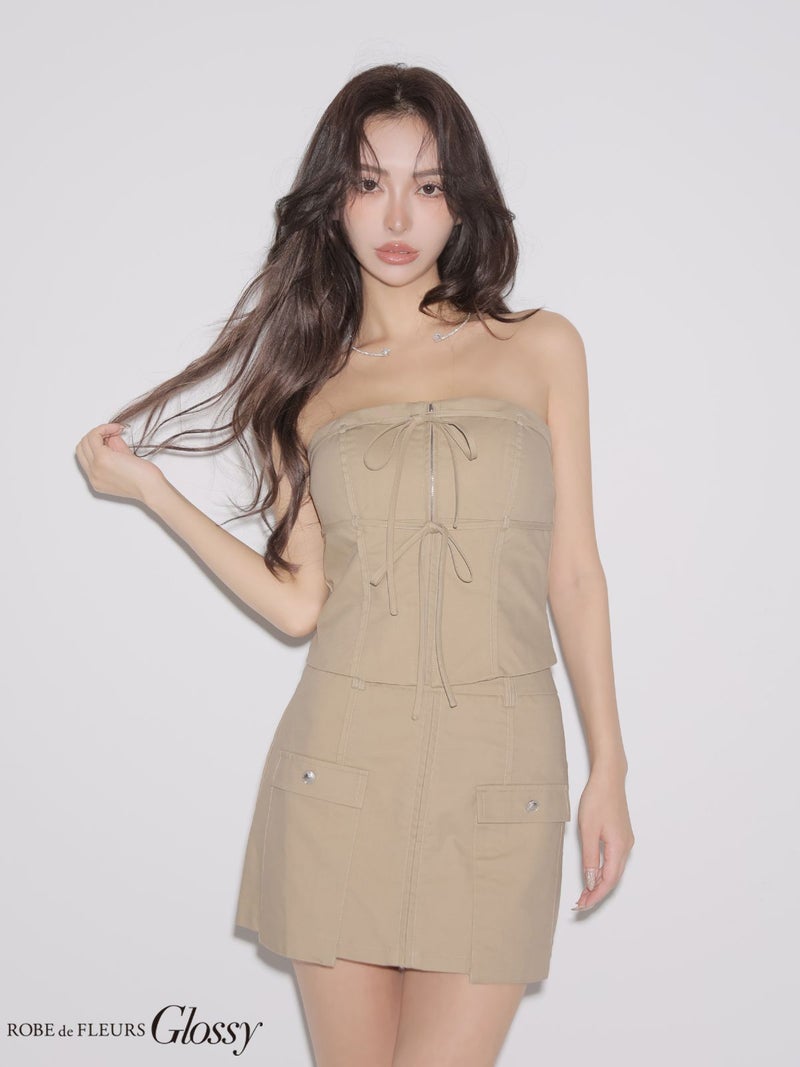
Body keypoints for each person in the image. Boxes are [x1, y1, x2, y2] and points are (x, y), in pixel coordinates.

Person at [75, 63, 634, 1067]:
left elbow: (575, 575)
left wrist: (611, 768)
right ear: (333, 199)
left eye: (428, 184)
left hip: (501, 772)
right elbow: (299, 605)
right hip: (340, 770)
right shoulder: (307, 389)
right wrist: (154, 492)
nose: (398, 215)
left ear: (461, 201)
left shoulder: (542, 348)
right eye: (370, 182)